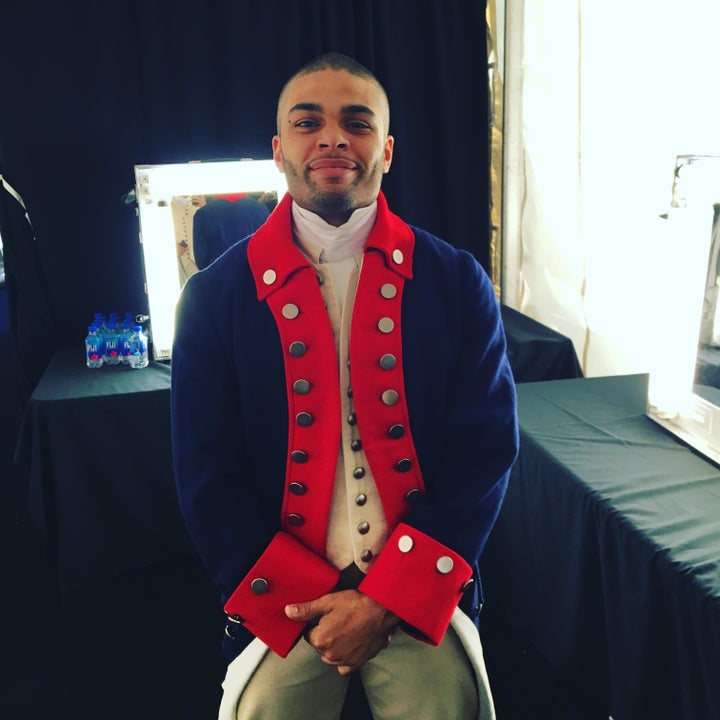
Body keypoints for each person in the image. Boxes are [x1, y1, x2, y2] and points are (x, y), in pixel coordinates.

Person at [171, 52, 518, 720]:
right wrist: (307, 604)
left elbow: (484, 457)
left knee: (448, 707)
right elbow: (207, 478)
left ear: (386, 149)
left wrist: (386, 600)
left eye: (356, 123)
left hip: (414, 595)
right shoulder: (215, 297)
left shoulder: (456, 281)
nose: (332, 137)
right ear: (279, 150)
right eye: (309, 123)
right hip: (290, 603)